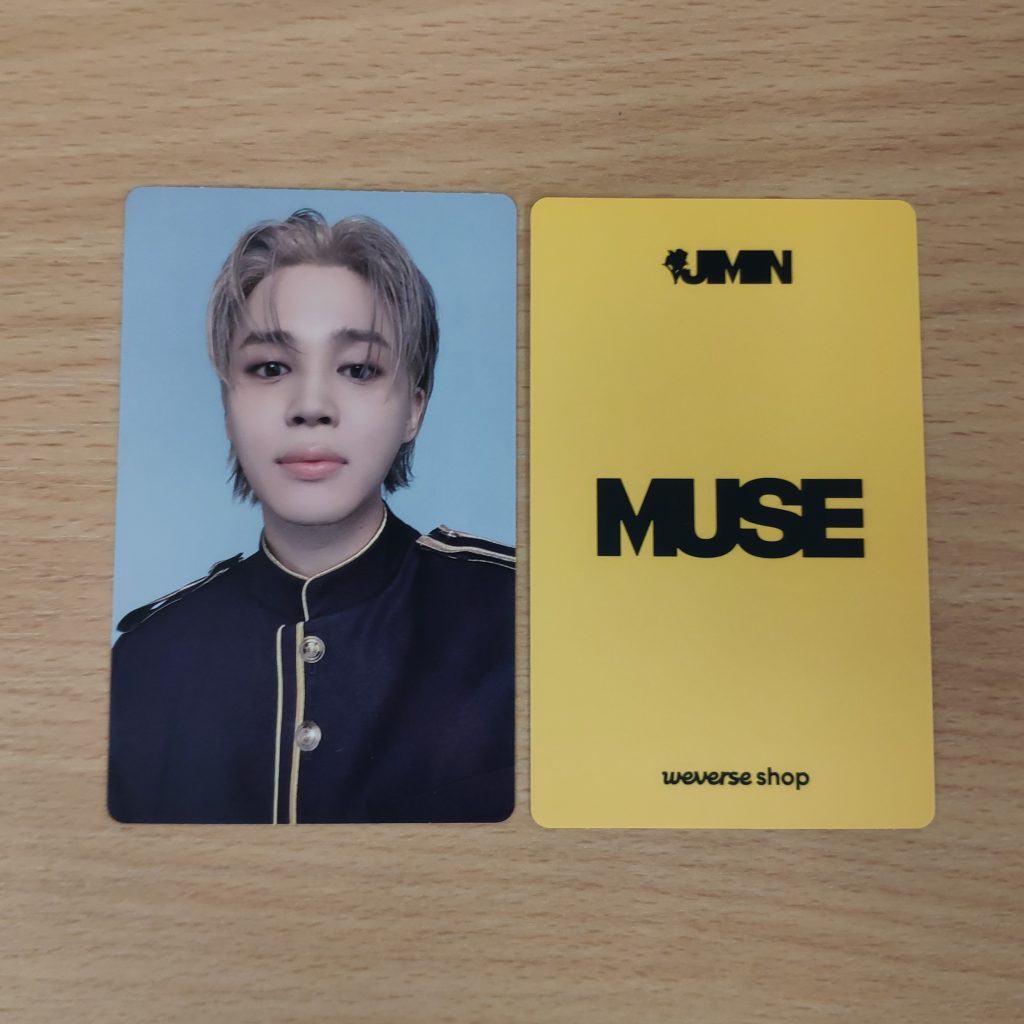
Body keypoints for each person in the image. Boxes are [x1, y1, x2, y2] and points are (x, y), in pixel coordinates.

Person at [108, 210, 515, 824]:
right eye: (271, 368)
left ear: (414, 409)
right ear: (227, 404)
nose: (311, 406)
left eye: (358, 369)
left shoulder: (516, 619)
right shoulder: (144, 663)